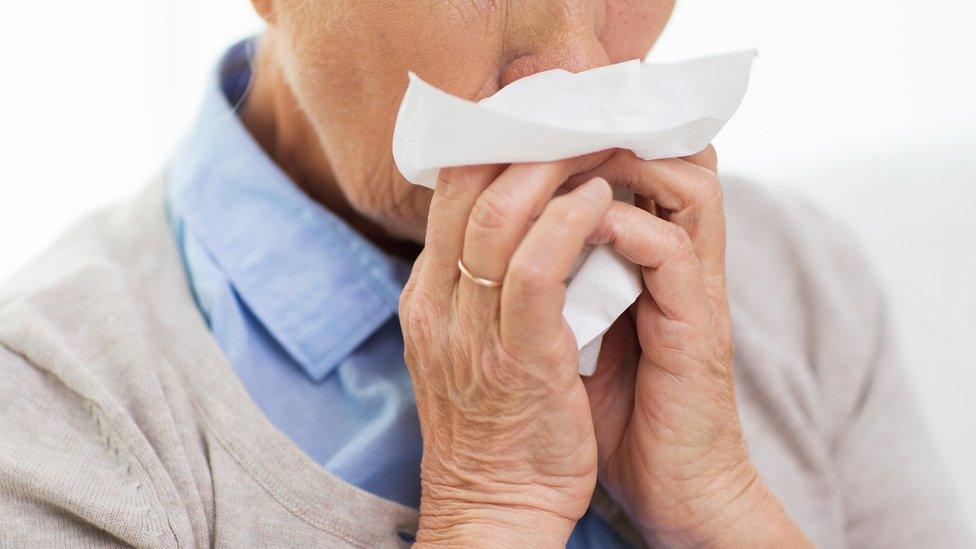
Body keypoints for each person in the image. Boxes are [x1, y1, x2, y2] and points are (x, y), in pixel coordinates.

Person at [0, 1, 970, 547]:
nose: (574, 61)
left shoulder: (798, 280)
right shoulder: (52, 411)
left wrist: (721, 508)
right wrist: (487, 514)